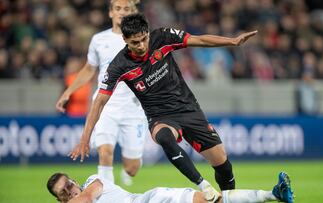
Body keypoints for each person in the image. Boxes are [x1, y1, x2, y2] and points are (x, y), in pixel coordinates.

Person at [69, 13, 294, 203]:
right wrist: (84, 138)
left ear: (148, 33)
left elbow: (200, 40)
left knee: (223, 164)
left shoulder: (163, 37)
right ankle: (202, 184)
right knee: (164, 137)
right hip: (159, 116)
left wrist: (232, 41)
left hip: (188, 109)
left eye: (143, 39)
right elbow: (99, 101)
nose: (141, 46)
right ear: (125, 41)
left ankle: (225, 197)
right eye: (134, 42)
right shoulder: (119, 65)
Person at [56, 0, 148, 186]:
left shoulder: (142, 38)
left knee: (132, 168)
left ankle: (128, 168)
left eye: (126, 9)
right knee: (105, 154)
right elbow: (89, 69)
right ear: (110, 13)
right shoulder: (99, 40)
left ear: (132, 12)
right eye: (118, 9)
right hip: (105, 107)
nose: (121, 12)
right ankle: (108, 197)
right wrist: (68, 91)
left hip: (133, 108)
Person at [46, 172, 293, 203]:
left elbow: (87, 199)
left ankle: (272, 194)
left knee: (211, 201)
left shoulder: (91, 182)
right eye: (63, 192)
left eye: (69, 184)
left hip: (153, 201)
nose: (70, 190)